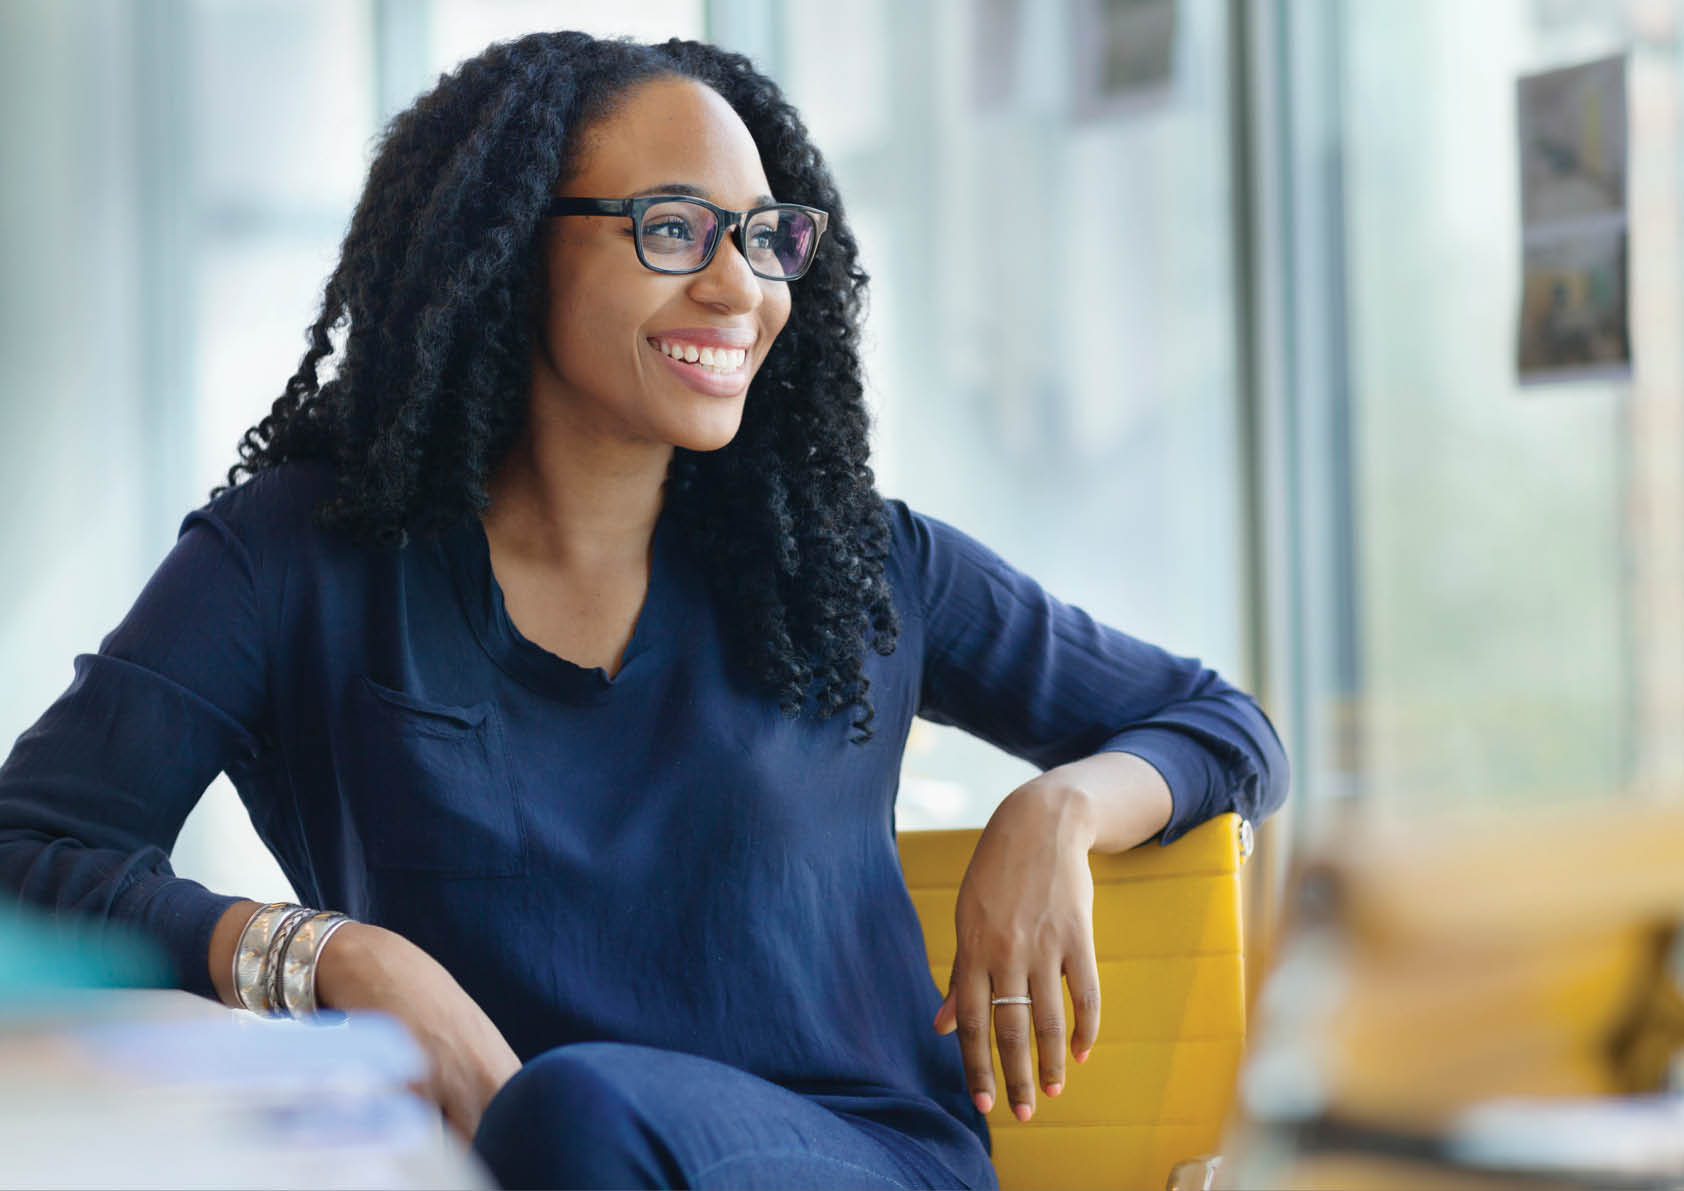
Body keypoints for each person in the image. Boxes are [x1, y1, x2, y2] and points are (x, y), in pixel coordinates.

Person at [0, 31, 1288, 1191]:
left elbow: (1222, 725)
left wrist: (1057, 807)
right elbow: (28, 854)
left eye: (766, 236)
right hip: (495, 1165)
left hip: (862, 1161)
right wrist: (337, 957)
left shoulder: (851, 563)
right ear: (504, 251)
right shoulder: (295, 559)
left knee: (578, 1110)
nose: (741, 289)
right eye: (672, 228)